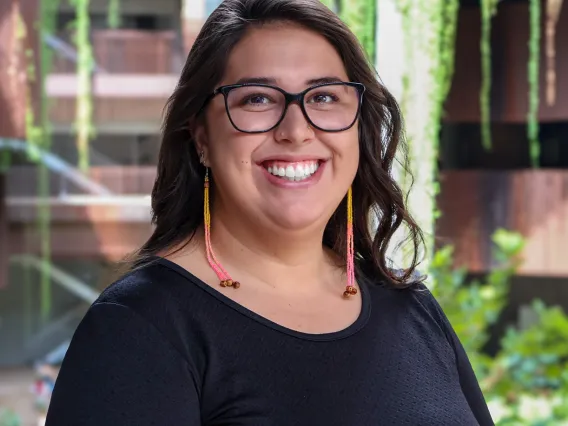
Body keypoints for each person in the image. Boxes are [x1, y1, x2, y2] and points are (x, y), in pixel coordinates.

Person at [45, 0, 494, 424]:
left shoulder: (410, 308)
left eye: (324, 97)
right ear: (201, 136)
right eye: (257, 99)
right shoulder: (137, 330)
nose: (296, 131)